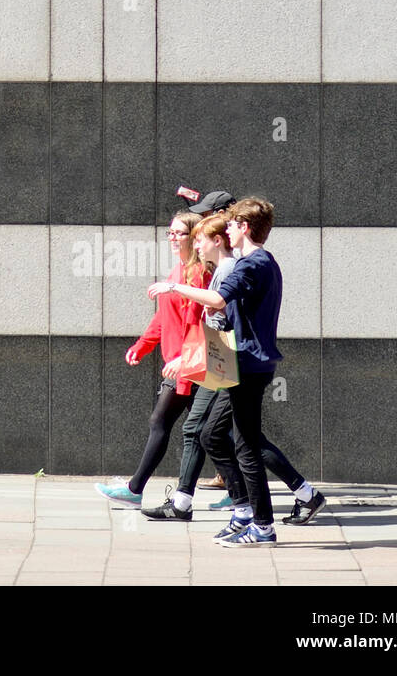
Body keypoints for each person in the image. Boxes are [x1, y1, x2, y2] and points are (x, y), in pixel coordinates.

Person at [143, 209, 324, 525]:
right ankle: (282, 502)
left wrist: (186, 356)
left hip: (233, 362)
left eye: (196, 239)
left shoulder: (235, 267)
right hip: (229, 361)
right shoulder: (233, 265)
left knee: (221, 435)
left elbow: (218, 309)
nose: (196, 246)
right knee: (223, 435)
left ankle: (250, 514)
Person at [147, 197, 284, 546]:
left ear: (245, 229)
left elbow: (219, 301)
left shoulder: (250, 264)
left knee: (247, 447)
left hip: (248, 365)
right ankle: (248, 517)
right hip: (249, 362)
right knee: (217, 436)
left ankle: (261, 525)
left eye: (234, 224)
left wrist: (173, 286)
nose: (229, 229)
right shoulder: (262, 262)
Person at [95, 211, 208, 508]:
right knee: (212, 434)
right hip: (180, 362)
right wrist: (143, 346)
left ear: (196, 237)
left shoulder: (196, 275)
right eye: (170, 232)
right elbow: (164, 317)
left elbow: (198, 324)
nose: (172, 238)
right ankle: (243, 497)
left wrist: (184, 358)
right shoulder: (179, 271)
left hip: (189, 365)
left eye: (179, 233)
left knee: (170, 423)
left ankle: (136, 490)